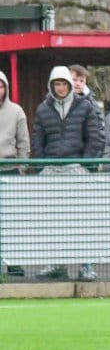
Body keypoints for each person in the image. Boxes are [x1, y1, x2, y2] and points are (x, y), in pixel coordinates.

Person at [32, 65, 105, 281]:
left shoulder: (85, 107)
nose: (61, 88)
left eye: (64, 83)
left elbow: (95, 138)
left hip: (76, 169)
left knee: (83, 218)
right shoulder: (42, 109)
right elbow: (37, 140)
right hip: (51, 170)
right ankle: (56, 263)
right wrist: (42, 166)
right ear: (51, 85)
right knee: (52, 220)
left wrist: (86, 165)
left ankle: (86, 265)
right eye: (57, 84)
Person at [0, 69, 30, 277]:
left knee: (13, 220)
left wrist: (22, 166)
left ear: (6, 88)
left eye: (1, 86)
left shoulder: (17, 111)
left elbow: (24, 142)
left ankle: (14, 262)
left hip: (10, 170)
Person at [70, 64, 105, 136]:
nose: (78, 83)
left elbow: (100, 126)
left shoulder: (91, 102)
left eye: (81, 81)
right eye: (74, 80)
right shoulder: (57, 101)